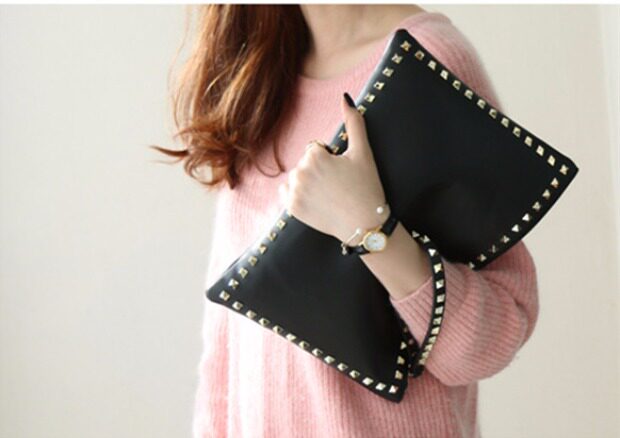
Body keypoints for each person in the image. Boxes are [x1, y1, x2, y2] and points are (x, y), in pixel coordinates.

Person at [153, 4, 540, 437]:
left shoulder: (425, 57)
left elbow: (490, 342)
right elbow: (227, 346)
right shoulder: (255, 75)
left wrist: (369, 227)